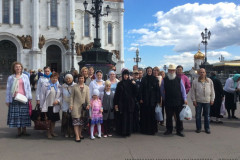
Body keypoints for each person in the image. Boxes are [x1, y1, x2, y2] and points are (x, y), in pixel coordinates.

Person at [6, 62, 32, 137]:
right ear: (14, 68)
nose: (18, 68)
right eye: (16, 67)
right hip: (14, 98)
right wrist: (7, 100)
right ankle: (19, 131)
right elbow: (8, 89)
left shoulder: (25, 76)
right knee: (17, 115)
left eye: (19, 67)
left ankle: (24, 131)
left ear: (21, 68)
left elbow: (28, 88)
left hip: (24, 98)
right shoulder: (11, 77)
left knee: (24, 115)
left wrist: (29, 97)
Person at [160, 64, 187, 137]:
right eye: (170, 70)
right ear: (168, 71)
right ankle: (169, 129)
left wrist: (185, 98)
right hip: (168, 101)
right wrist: (164, 98)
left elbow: (183, 90)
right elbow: (162, 90)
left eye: (173, 70)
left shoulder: (179, 79)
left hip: (178, 101)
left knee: (179, 117)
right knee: (169, 117)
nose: (171, 71)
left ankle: (179, 130)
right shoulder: (164, 80)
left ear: (174, 71)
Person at [191, 68, 215, 134]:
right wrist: (194, 100)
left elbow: (212, 91)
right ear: (198, 73)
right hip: (198, 101)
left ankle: (207, 128)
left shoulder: (209, 81)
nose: (202, 73)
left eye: (203, 72)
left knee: (207, 115)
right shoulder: (195, 81)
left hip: (207, 100)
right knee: (198, 115)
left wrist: (212, 99)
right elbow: (193, 91)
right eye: (201, 72)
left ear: (205, 73)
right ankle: (198, 128)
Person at [114, 69, 137, 136]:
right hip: (122, 103)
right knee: (122, 117)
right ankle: (122, 131)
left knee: (129, 117)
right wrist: (116, 103)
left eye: (127, 75)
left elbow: (136, 93)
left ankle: (128, 131)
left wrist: (134, 85)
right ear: (122, 75)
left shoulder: (131, 83)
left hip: (129, 103)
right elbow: (117, 94)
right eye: (124, 75)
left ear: (128, 75)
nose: (125, 76)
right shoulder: (119, 84)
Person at [40, 72, 61, 139]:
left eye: (56, 78)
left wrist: (58, 101)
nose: (54, 79)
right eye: (53, 78)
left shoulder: (59, 86)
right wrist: (41, 105)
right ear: (50, 78)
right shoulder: (45, 85)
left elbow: (61, 96)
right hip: (48, 105)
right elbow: (42, 95)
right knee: (48, 120)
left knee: (54, 120)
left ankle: (52, 131)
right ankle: (48, 133)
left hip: (55, 105)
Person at [140, 67, 160, 135]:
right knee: (145, 115)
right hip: (145, 100)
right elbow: (141, 90)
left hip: (152, 100)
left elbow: (157, 90)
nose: (149, 71)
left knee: (152, 115)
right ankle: (145, 130)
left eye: (150, 70)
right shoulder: (143, 79)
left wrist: (158, 100)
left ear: (152, 71)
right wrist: (141, 98)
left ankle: (152, 130)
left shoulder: (155, 79)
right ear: (146, 71)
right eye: (148, 70)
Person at [70, 74, 90, 142]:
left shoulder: (87, 87)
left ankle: (80, 133)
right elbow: (72, 97)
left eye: (82, 78)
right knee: (76, 122)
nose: (81, 79)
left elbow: (87, 97)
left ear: (84, 79)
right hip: (75, 106)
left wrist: (88, 104)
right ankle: (77, 136)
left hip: (83, 107)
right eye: (80, 78)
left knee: (81, 122)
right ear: (78, 79)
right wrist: (71, 105)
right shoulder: (74, 87)